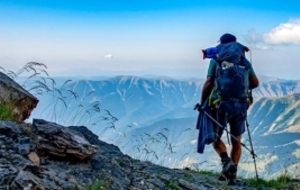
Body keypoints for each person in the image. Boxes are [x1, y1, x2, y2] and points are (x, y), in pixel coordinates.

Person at [199, 33, 259, 184]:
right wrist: (242, 91)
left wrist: (202, 102)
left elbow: (208, 83)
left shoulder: (216, 59)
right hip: (241, 105)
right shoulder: (244, 62)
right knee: (236, 140)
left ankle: (227, 163)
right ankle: (231, 175)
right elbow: (256, 82)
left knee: (215, 137)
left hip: (221, 105)